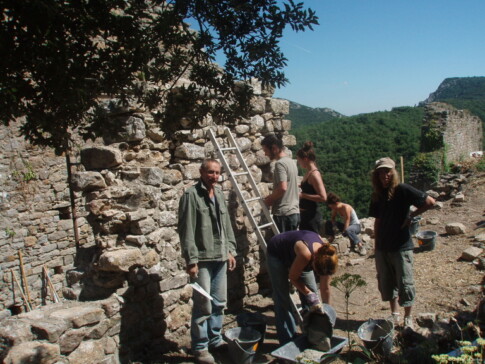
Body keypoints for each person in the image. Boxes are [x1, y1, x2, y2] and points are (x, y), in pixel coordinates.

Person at [178, 159, 237, 364]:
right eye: (210, 172)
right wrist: (191, 260)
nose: (214, 176)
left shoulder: (219, 193)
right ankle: (200, 347)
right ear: (202, 172)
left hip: (220, 256)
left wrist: (230, 249)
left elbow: (226, 223)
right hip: (202, 258)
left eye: (217, 172)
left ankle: (215, 339)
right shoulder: (191, 195)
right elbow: (186, 230)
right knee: (203, 305)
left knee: (219, 302)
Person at [369, 157, 435, 330]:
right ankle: (394, 314)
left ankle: (408, 318)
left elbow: (429, 202)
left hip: (401, 245)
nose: (384, 175)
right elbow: (377, 220)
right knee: (387, 282)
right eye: (381, 172)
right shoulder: (377, 194)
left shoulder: (403, 190)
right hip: (383, 246)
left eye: (387, 171)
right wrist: (376, 245)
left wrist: (411, 216)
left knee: (405, 282)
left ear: (394, 172)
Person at [266, 230, 338, 345]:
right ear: (314, 261)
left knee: (313, 294)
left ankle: (311, 333)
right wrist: (308, 293)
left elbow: (325, 288)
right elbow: (293, 278)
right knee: (282, 299)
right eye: (316, 271)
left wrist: (326, 311)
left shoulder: (327, 257)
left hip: (297, 255)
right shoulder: (306, 254)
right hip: (277, 253)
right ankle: (288, 340)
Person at [262, 134, 300, 232]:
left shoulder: (280, 164)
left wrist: (270, 199)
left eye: (266, 150)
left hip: (284, 215)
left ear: (274, 148)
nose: (265, 154)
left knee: (284, 246)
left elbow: (283, 188)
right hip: (294, 212)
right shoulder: (291, 162)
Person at [297, 141, 327, 233]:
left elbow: (323, 197)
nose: (298, 163)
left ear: (305, 159)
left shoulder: (314, 174)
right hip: (305, 215)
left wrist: (303, 195)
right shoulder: (309, 172)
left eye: (299, 160)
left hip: (312, 217)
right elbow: (309, 188)